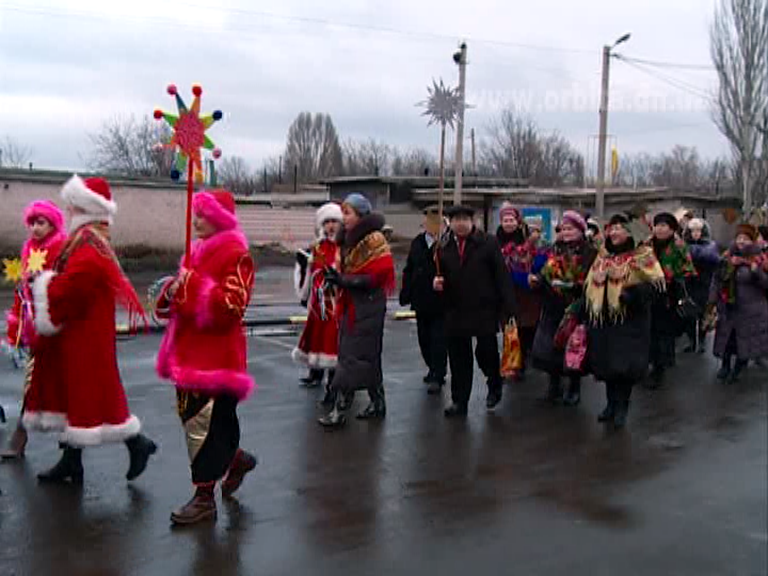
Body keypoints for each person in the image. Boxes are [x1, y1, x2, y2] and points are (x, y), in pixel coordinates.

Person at [23, 175, 157, 485]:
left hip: (86, 330)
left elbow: (80, 280)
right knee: (79, 392)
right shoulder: (87, 236)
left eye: (73, 204)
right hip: (82, 326)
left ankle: (137, 443)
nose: (67, 210)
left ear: (85, 207)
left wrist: (43, 286)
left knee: (91, 392)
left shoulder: (89, 241)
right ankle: (74, 460)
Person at [156, 189, 257, 525]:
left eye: (203, 214)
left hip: (217, 358)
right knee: (195, 421)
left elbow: (233, 305)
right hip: (188, 353)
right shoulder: (195, 251)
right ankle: (236, 460)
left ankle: (204, 498)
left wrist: (192, 285)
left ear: (220, 218)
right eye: (195, 213)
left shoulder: (236, 253)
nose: (195, 220)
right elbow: (183, 297)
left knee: (207, 427)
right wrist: (173, 289)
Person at [319, 193, 395, 429]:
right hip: (354, 304)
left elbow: (376, 276)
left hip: (369, 305)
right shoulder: (347, 240)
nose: (343, 218)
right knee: (366, 357)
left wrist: (345, 281)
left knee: (351, 358)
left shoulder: (374, 240)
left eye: (347, 213)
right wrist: (337, 280)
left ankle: (340, 411)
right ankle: (378, 403)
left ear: (360, 214)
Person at [583, 214, 665, 428]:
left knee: (624, 367)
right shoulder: (602, 257)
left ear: (631, 232)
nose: (614, 232)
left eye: (620, 228)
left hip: (630, 320)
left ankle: (622, 406)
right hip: (605, 320)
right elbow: (590, 283)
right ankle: (610, 404)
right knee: (608, 365)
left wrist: (633, 295)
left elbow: (655, 285)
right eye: (612, 228)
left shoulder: (642, 255)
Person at [434, 205, 515, 417]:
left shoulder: (487, 243)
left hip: (483, 309)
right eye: (456, 219)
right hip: (455, 309)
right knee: (459, 358)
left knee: (486, 352)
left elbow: (501, 276)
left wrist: (509, 308)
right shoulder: (442, 246)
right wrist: (437, 284)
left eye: (464, 219)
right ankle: (459, 401)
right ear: (450, 223)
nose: (460, 223)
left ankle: (494, 382)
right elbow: (437, 276)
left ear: (473, 221)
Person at [2, 201, 67, 460]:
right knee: (35, 385)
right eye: (33, 222)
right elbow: (22, 297)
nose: (36, 228)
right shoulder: (29, 250)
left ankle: (133, 441)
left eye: (42, 223)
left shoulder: (60, 250)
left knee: (63, 390)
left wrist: (42, 285)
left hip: (56, 331)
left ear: (53, 224)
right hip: (36, 332)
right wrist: (16, 328)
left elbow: (64, 289)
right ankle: (22, 438)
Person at [530, 210, 597, 406]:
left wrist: (576, 287)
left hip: (575, 306)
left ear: (580, 230)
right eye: (563, 228)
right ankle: (554, 385)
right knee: (551, 349)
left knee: (574, 348)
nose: (566, 232)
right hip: (553, 305)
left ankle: (574, 387)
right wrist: (538, 281)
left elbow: (592, 280)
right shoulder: (555, 250)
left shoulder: (590, 252)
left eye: (570, 228)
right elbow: (545, 272)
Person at [292, 203, 343, 402]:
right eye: (327, 222)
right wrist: (305, 296)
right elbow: (310, 273)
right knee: (316, 338)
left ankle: (333, 381)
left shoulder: (344, 248)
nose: (331, 226)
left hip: (336, 304)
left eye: (334, 221)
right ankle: (316, 373)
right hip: (318, 304)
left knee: (333, 343)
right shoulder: (317, 247)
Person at [708, 223, 768, 384]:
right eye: (739, 238)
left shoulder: (760, 259)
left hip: (751, 311)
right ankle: (725, 366)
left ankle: (737, 370)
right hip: (729, 307)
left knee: (745, 342)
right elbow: (717, 279)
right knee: (727, 339)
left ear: (753, 241)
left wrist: (756, 272)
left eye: (746, 238)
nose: (741, 241)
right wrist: (712, 300)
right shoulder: (727, 257)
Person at [400, 205, 447, 395]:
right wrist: (406, 291)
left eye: (437, 223)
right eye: (429, 222)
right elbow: (409, 268)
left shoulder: (445, 244)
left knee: (438, 340)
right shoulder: (418, 243)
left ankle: (438, 373)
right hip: (421, 300)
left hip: (440, 302)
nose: (432, 226)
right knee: (424, 338)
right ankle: (431, 367)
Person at [496, 202, 545, 379]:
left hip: (526, 293)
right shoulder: (494, 241)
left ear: (517, 222)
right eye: (505, 220)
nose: (508, 223)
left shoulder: (526, 239)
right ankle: (513, 363)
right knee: (509, 328)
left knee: (526, 328)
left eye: (511, 220)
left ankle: (522, 359)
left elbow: (531, 259)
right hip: (504, 292)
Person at [647, 212, 696, 386]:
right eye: (657, 225)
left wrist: (673, 278)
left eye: (663, 225)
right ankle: (651, 364)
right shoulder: (646, 245)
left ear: (672, 228)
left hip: (669, 296)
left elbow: (688, 270)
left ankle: (659, 369)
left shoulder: (679, 246)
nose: (659, 229)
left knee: (663, 333)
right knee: (649, 331)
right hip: (648, 294)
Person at [683, 218, 721, 353]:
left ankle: (702, 341)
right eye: (692, 231)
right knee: (688, 314)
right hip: (688, 284)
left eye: (698, 230)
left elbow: (713, 259)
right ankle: (692, 341)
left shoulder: (710, 245)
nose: (695, 233)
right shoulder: (683, 245)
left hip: (704, 283)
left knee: (704, 314)